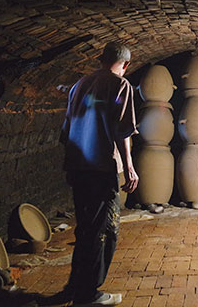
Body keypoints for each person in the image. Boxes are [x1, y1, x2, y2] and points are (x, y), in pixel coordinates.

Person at [57, 42, 139, 306]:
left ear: (100, 59)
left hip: (78, 167)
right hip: (101, 168)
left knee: (85, 230)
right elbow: (123, 130)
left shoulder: (78, 86)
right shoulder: (120, 85)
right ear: (125, 65)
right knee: (103, 230)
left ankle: (74, 286)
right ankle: (88, 293)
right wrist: (129, 167)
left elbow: (65, 131)